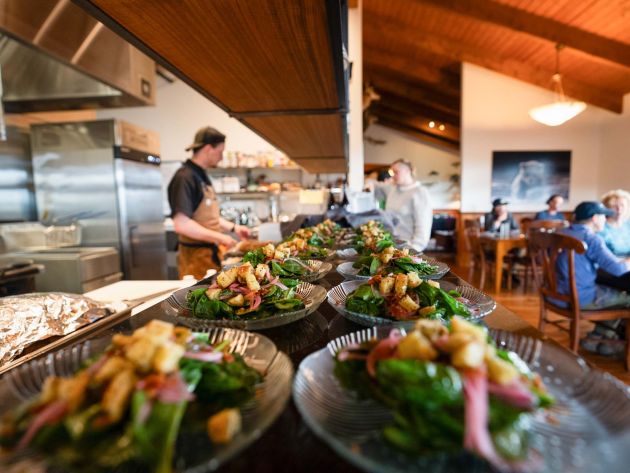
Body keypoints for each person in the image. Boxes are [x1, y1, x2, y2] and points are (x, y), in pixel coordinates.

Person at [168, 126, 250, 279]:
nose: (221, 157)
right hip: (195, 258)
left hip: (208, 254)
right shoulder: (185, 177)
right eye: (220, 152)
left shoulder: (200, 175)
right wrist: (221, 237)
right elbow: (181, 224)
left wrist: (234, 227)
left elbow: (206, 216)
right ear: (208, 149)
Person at [555, 202, 630, 355]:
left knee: (610, 291)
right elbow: (618, 269)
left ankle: (596, 337)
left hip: (557, 293)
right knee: (626, 298)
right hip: (580, 297)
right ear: (595, 218)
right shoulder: (591, 238)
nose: (605, 219)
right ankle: (607, 342)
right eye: (604, 216)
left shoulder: (560, 232)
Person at [375, 159, 433, 251]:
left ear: (408, 171)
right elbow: (377, 186)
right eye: (392, 172)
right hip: (389, 245)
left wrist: (414, 249)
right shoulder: (393, 189)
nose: (393, 176)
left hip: (407, 248)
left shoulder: (420, 192)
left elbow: (423, 226)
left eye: (396, 172)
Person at [599, 189, 630, 257]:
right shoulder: (601, 228)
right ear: (607, 208)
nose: (619, 209)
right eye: (614, 206)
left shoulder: (628, 225)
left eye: (622, 205)